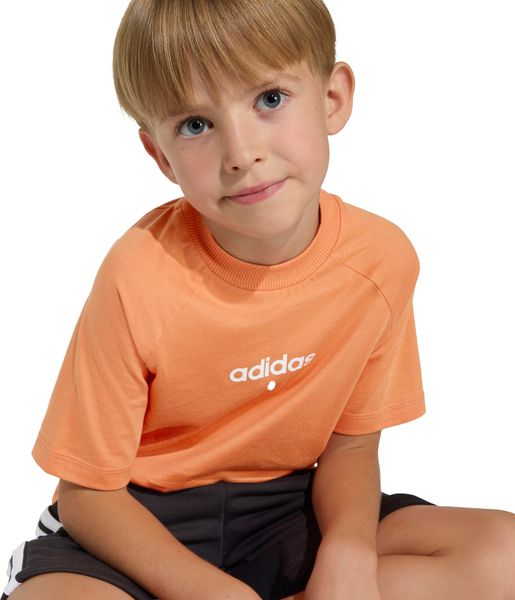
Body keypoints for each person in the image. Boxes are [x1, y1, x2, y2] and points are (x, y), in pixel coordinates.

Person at [3, 1, 514, 599]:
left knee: (502, 553)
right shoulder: (138, 274)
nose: (241, 153)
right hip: (137, 521)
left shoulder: (380, 261)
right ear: (161, 156)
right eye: (196, 125)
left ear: (332, 99)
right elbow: (87, 494)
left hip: (288, 510)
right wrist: (216, 593)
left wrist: (347, 552)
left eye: (270, 99)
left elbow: (352, 445)